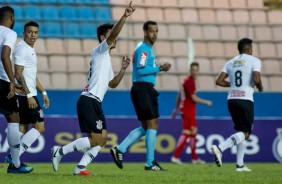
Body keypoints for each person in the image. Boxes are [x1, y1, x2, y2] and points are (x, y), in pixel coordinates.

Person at [51, 1, 135, 176]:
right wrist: (125, 16)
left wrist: (123, 69)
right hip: (89, 99)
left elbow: (112, 84)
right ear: (103, 38)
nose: (114, 37)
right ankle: (59, 152)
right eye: (110, 34)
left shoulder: (106, 60)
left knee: (103, 139)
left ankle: (80, 168)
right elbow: (113, 35)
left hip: (95, 102)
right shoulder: (99, 51)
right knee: (95, 139)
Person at [110, 20, 171, 171]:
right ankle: (149, 163)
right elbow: (141, 69)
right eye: (151, 31)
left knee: (147, 126)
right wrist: (160, 68)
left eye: (156, 31)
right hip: (142, 88)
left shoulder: (146, 48)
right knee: (152, 124)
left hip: (144, 88)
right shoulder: (144, 49)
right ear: (145, 32)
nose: (154, 34)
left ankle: (120, 149)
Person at [212, 38, 263, 171]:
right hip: (245, 99)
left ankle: (240, 165)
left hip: (232, 99)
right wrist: (260, 87)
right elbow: (257, 78)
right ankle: (220, 148)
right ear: (249, 49)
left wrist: (232, 84)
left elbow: (219, 81)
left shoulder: (230, 62)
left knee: (241, 131)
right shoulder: (254, 60)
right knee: (246, 133)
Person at [5, 21, 50, 165]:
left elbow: (31, 76)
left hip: (28, 94)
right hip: (26, 96)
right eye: (29, 32)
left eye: (35, 32)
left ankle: (13, 160)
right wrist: (30, 95)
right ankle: (14, 158)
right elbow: (18, 74)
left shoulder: (29, 49)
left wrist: (43, 92)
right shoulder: (22, 49)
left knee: (23, 127)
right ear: (24, 33)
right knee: (39, 128)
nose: (33, 35)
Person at [0, 6, 33, 174]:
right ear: (11, 19)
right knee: (13, 119)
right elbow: (5, 55)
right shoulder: (9, 33)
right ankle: (16, 164)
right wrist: (11, 80)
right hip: (2, 81)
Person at [171, 62, 212, 164]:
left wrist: (176, 109)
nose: (194, 72)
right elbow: (193, 98)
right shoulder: (190, 82)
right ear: (190, 70)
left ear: (198, 71)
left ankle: (194, 158)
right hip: (188, 110)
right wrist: (206, 102)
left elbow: (179, 95)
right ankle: (175, 157)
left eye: (196, 70)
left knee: (193, 132)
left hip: (186, 109)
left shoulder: (185, 81)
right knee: (187, 133)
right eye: (193, 70)